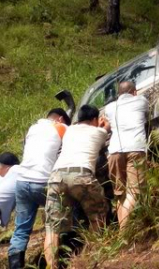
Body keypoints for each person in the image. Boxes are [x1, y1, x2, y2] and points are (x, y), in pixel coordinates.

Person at [44, 104, 110, 268]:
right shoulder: (99, 132)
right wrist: (103, 125)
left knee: (53, 227)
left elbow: (76, 128)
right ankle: (89, 257)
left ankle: (51, 266)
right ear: (95, 119)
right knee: (98, 214)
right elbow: (106, 130)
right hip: (81, 175)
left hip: (56, 177)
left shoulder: (69, 131)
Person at [7, 108, 70, 269]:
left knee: (21, 229)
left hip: (22, 181)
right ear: (61, 119)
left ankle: (15, 265)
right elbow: (77, 137)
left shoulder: (32, 128)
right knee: (58, 218)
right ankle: (67, 250)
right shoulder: (60, 127)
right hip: (43, 181)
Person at [102, 80, 149, 229]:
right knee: (134, 193)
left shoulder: (109, 107)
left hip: (114, 151)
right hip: (135, 149)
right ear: (134, 92)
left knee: (120, 194)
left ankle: (122, 234)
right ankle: (124, 234)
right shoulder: (141, 100)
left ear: (119, 94)